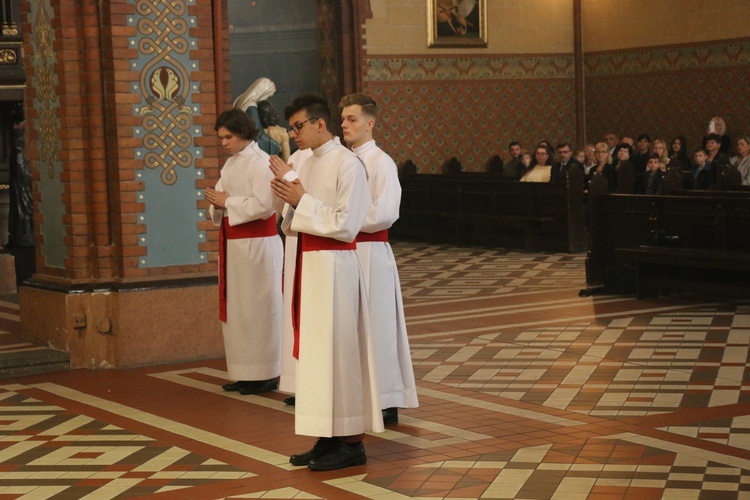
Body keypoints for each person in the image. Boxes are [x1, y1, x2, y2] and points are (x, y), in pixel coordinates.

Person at [269, 94, 383, 472]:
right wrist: (286, 194)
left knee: (339, 354)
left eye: (298, 126)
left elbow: (347, 224)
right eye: (291, 128)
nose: (293, 134)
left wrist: (302, 200)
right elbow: (288, 220)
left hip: (336, 266)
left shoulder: (349, 164)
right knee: (318, 358)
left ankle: (351, 443)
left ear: (320, 124)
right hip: (309, 264)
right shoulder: (304, 161)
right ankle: (327, 436)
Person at [339, 93, 419, 426]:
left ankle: (385, 399)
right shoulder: (343, 161)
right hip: (345, 251)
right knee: (354, 327)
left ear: (370, 124)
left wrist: (343, 219)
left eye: (352, 119)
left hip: (371, 251)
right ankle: (360, 395)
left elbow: (385, 213)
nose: (344, 124)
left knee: (379, 326)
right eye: (342, 119)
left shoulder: (381, 162)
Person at [206, 109, 283, 396]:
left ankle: (267, 373)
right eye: (221, 138)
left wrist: (228, 201)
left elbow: (265, 205)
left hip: (258, 246)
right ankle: (244, 372)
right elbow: (220, 198)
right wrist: (218, 203)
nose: (223, 143)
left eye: (228, 137)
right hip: (234, 246)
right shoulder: (231, 164)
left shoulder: (261, 162)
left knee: (259, 309)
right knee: (239, 311)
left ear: (243, 134)